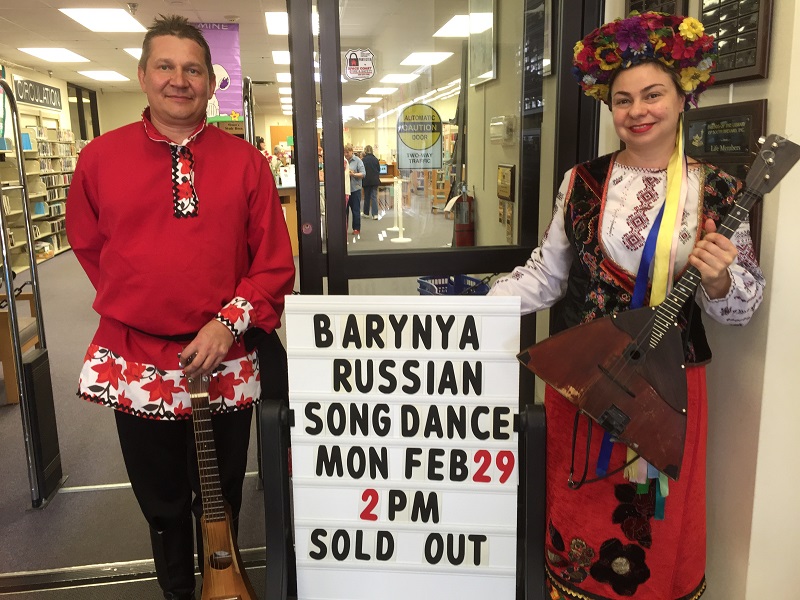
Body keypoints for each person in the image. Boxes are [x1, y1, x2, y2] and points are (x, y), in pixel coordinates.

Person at [489, 12, 763, 600]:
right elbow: (547, 276)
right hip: (584, 379)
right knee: (578, 504)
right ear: (608, 107)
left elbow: (742, 305)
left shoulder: (717, 189)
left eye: (653, 94)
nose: (637, 110)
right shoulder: (580, 182)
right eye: (622, 99)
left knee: (653, 519)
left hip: (669, 385)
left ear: (684, 95)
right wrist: (474, 310)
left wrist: (719, 283)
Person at [65, 15, 295, 600]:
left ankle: (225, 584)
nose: (179, 80)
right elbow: (91, 248)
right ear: (143, 75)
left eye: (192, 68)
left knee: (218, 495)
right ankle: (175, 591)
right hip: (137, 359)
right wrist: (140, 299)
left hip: (225, 355)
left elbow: (273, 263)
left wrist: (226, 322)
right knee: (161, 500)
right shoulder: (98, 159)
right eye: (165, 66)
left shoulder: (246, 162)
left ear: (210, 82)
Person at [344, 143, 365, 235]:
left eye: (347, 152)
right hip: (345, 190)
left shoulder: (358, 161)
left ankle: (356, 228)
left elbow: (363, 174)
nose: (346, 154)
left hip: (355, 189)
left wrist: (353, 174)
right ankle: (343, 228)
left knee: (355, 210)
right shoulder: (342, 161)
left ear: (352, 152)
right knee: (344, 211)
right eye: (344, 152)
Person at [361, 144, 381, 219]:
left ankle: (366, 213)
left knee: (367, 197)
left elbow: (362, 170)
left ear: (365, 151)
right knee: (374, 197)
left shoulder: (363, 160)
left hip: (366, 181)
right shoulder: (376, 159)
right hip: (375, 181)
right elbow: (378, 170)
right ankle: (375, 214)